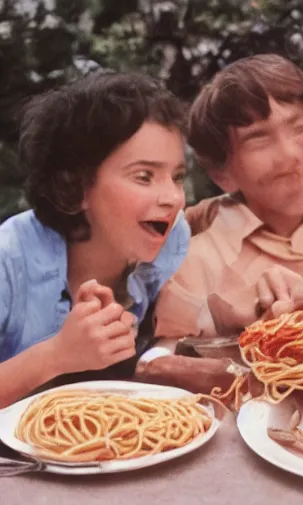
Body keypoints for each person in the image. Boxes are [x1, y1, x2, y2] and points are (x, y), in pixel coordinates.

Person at [154, 54, 303, 342]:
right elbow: (163, 361)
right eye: (259, 139)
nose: (289, 155)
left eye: (301, 129)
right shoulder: (193, 247)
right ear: (221, 173)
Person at [0, 73, 191, 407]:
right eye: (144, 176)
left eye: (176, 177)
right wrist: (55, 355)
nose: (173, 198)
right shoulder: (8, 260)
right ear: (74, 187)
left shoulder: (170, 238)